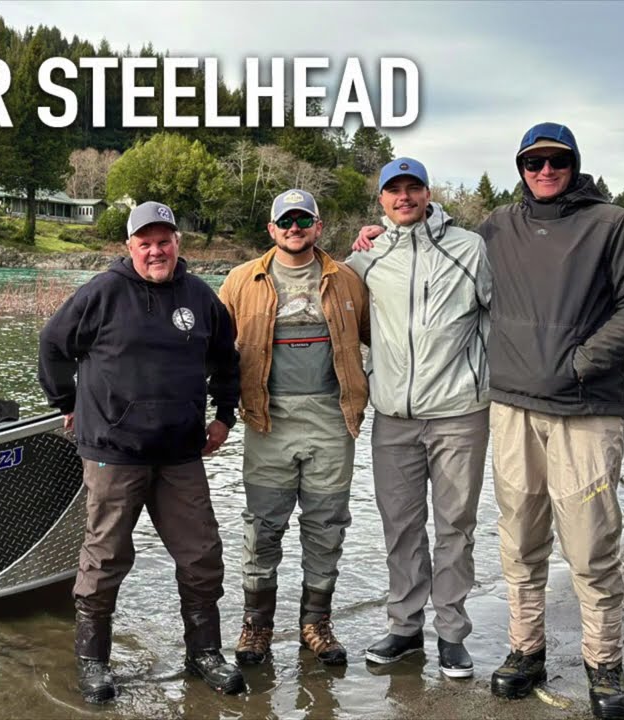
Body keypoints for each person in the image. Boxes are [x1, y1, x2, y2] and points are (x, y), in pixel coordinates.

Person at [355, 124, 624, 719]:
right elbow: (401, 262)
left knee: (591, 542)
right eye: (533, 162)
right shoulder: (497, 226)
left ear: (573, 163)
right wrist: (373, 239)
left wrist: (581, 362)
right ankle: (526, 651)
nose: (544, 170)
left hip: (585, 410)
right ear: (521, 168)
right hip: (513, 407)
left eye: (556, 160)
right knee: (519, 540)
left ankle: (604, 665)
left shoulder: (612, 224)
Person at [38, 201, 246, 704]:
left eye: (164, 240)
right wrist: (67, 403)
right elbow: (52, 345)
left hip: (180, 452)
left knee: (202, 556)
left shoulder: (200, 297)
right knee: (105, 556)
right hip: (113, 451)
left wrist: (224, 416)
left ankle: (204, 653)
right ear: (128, 246)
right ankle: (93, 661)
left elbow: (227, 359)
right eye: (145, 242)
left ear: (178, 242)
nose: (156, 250)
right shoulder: (102, 293)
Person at [343, 158, 492, 680]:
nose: (403, 198)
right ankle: (405, 628)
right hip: (394, 419)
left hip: (459, 415)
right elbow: (342, 311)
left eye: (412, 188)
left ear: (428, 193)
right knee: (401, 527)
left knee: (455, 526)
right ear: (380, 200)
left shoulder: (470, 248)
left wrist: (480, 375)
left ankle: (451, 633)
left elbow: (497, 316)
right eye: (393, 191)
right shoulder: (367, 257)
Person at [217, 189, 371, 668]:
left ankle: (315, 624)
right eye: (286, 220)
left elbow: (384, 340)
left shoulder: (347, 280)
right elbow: (212, 353)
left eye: (304, 219)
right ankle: (256, 627)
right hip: (267, 423)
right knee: (262, 529)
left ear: (318, 226)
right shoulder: (241, 281)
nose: (294, 227)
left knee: (326, 529)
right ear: (271, 229)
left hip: (331, 421)